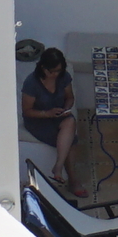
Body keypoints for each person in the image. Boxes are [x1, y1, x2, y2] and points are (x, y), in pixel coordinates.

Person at [20, 44, 81, 179]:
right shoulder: (32, 83)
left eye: (58, 71)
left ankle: (58, 167)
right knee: (70, 141)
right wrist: (47, 113)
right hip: (38, 120)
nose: (55, 74)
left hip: (58, 114)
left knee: (70, 121)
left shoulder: (63, 77)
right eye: (52, 71)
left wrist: (66, 108)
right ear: (44, 68)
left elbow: (70, 97)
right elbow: (27, 111)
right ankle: (72, 180)